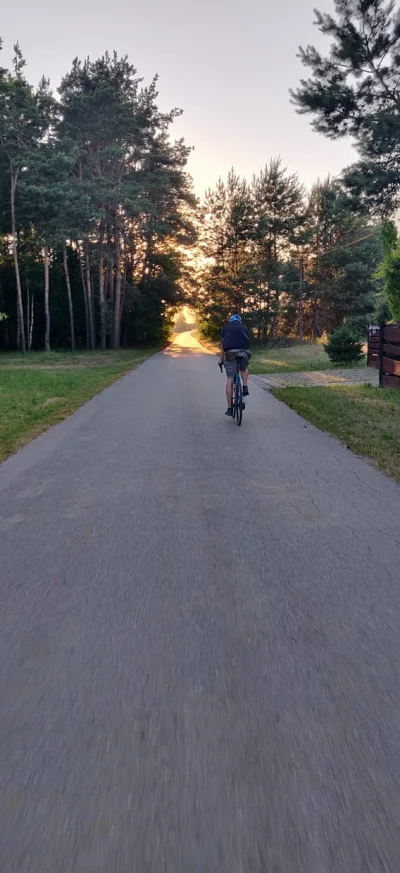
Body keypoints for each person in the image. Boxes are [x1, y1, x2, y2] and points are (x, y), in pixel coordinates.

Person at [219, 314, 250, 416]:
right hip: (244, 352)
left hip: (231, 353)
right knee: (243, 369)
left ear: (230, 321)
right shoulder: (244, 327)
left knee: (230, 378)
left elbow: (223, 345)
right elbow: (247, 340)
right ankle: (245, 386)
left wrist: (221, 359)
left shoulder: (226, 328)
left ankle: (229, 408)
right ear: (239, 321)